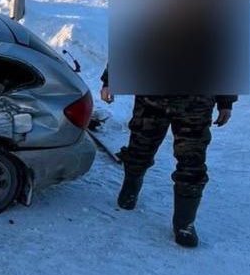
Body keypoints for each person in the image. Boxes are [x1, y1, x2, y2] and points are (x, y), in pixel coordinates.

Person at [100, 67, 235, 248]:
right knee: (139, 148)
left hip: (195, 104)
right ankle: (130, 188)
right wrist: (110, 81)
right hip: (151, 97)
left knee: (192, 163)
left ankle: (184, 224)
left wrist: (226, 101)